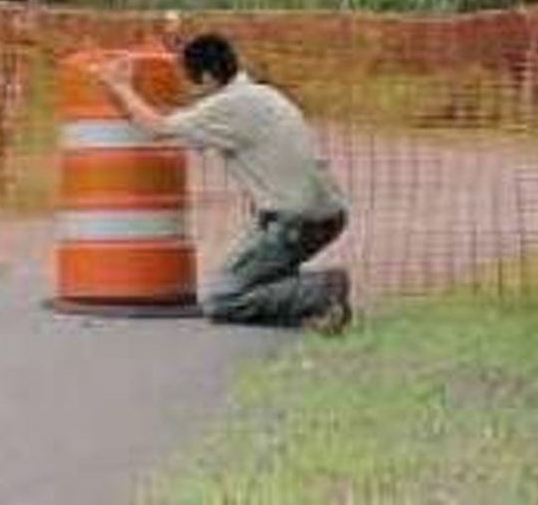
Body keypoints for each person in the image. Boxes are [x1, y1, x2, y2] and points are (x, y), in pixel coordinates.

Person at [92, 33, 352, 333]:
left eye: (193, 84)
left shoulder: (228, 105)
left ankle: (319, 290)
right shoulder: (264, 94)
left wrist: (120, 87)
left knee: (223, 299)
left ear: (208, 77)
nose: (192, 94)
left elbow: (156, 128)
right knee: (251, 274)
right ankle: (301, 296)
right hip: (327, 213)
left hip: (293, 222)